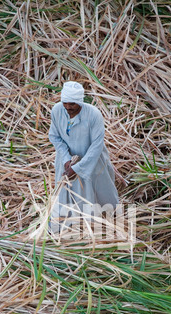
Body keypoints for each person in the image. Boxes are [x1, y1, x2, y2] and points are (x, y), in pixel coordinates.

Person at [48, 81, 119, 234]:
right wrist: (66, 159)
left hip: (91, 161)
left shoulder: (93, 115)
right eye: (65, 103)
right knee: (65, 193)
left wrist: (78, 168)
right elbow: (54, 136)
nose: (68, 107)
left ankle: (96, 225)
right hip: (65, 161)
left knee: (96, 193)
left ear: (80, 102)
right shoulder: (57, 110)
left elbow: (96, 147)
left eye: (72, 104)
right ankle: (65, 225)